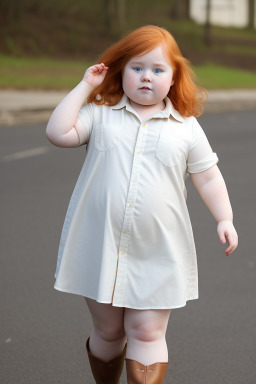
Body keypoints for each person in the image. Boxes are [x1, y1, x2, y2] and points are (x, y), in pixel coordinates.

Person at [46, 25, 238, 384]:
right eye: (137, 68)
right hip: (99, 243)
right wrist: (87, 85)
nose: (146, 77)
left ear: (174, 77)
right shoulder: (99, 113)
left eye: (157, 69)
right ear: (121, 71)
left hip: (158, 247)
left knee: (147, 332)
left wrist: (224, 217)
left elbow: (208, 176)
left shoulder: (186, 126)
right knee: (108, 333)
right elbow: (58, 133)